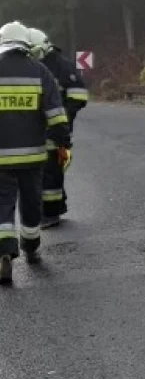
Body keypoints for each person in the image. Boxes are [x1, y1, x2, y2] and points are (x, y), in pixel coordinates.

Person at [0, 21, 71, 285]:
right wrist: (63, 142)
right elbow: (55, 114)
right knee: (31, 201)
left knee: (2, 203)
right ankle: (30, 245)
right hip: (32, 156)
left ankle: (4, 253)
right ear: (25, 44)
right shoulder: (40, 71)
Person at [27, 28, 88, 227]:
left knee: (52, 169)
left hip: (56, 127)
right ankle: (56, 207)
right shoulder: (31, 65)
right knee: (45, 171)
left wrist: (63, 117)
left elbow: (78, 95)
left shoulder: (63, 66)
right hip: (35, 128)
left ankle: (51, 214)